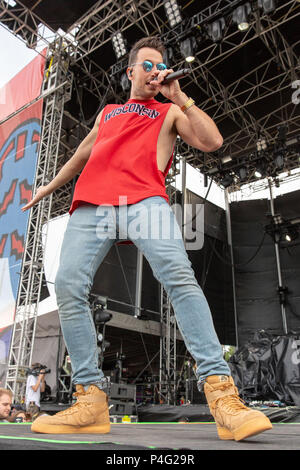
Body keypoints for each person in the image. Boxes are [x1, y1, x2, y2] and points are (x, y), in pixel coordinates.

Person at [22, 36, 272, 441]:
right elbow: (81, 155)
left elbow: (212, 142)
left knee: (179, 277)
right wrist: (46, 189)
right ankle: (89, 399)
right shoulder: (108, 113)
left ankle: (223, 395)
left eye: (161, 67)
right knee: (67, 286)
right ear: (131, 72)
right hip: (93, 205)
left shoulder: (170, 111)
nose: (156, 72)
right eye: (149, 66)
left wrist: (181, 95)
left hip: (144, 202)